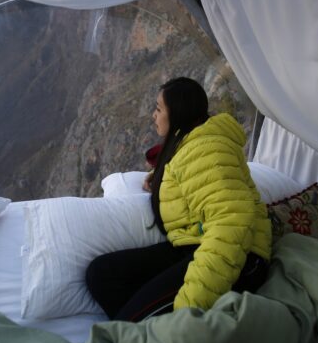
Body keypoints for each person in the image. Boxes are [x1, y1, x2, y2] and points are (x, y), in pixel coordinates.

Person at [86, 77, 271, 321]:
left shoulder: (206, 150)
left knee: (130, 320)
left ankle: (155, 342)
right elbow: (198, 175)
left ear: (179, 112)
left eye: (159, 109)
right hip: (193, 243)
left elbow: (231, 222)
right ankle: (149, 332)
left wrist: (189, 307)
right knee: (102, 273)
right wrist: (163, 177)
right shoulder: (192, 147)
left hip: (239, 257)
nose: (154, 115)